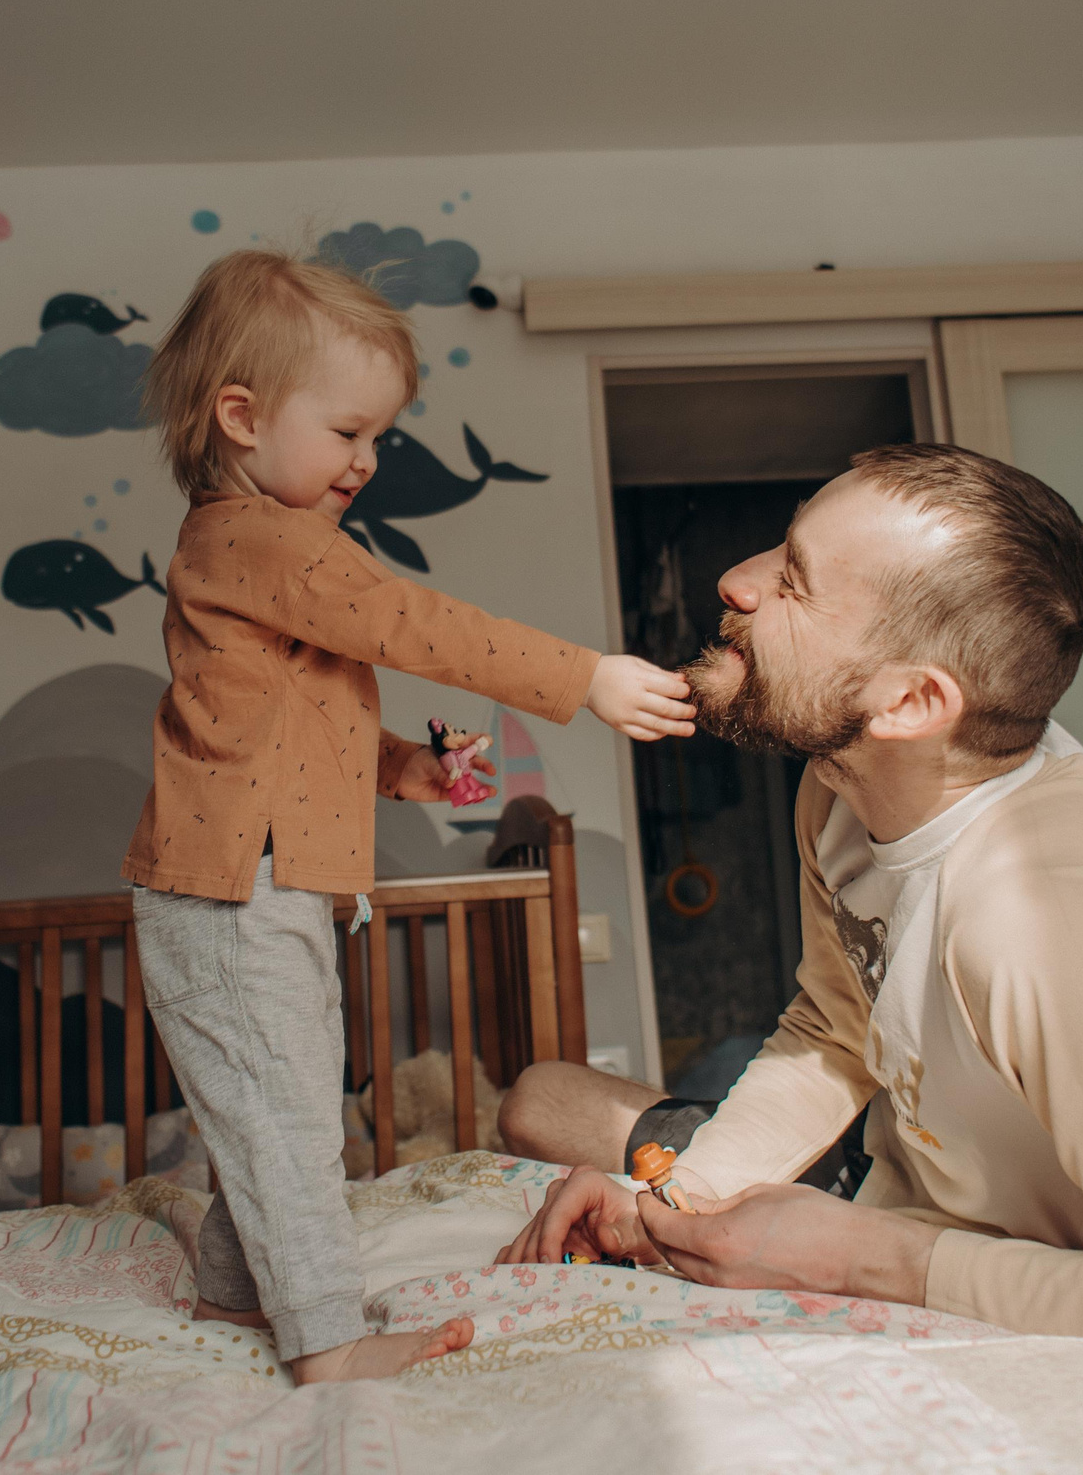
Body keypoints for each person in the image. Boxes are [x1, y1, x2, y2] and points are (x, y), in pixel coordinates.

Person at [496, 445, 1083, 1368]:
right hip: (885, 1162)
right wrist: (679, 1203)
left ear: (910, 700)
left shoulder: (1057, 933)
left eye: (793, 580)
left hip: (970, 1236)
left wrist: (859, 1256)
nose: (736, 582)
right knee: (538, 1100)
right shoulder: (839, 785)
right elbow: (835, 1026)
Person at [124, 250, 696, 1383]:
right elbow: (406, 620)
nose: (368, 461)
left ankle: (242, 1295)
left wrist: (407, 771)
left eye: (377, 436)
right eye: (346, 433)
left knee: (280, 1100)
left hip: (270, 885)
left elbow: (292, 717)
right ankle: (326, 1345)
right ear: (239, 417)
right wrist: (581, 676)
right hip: (230, 892)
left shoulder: (264, 555)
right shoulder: (255, 538)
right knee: (284, 1110)